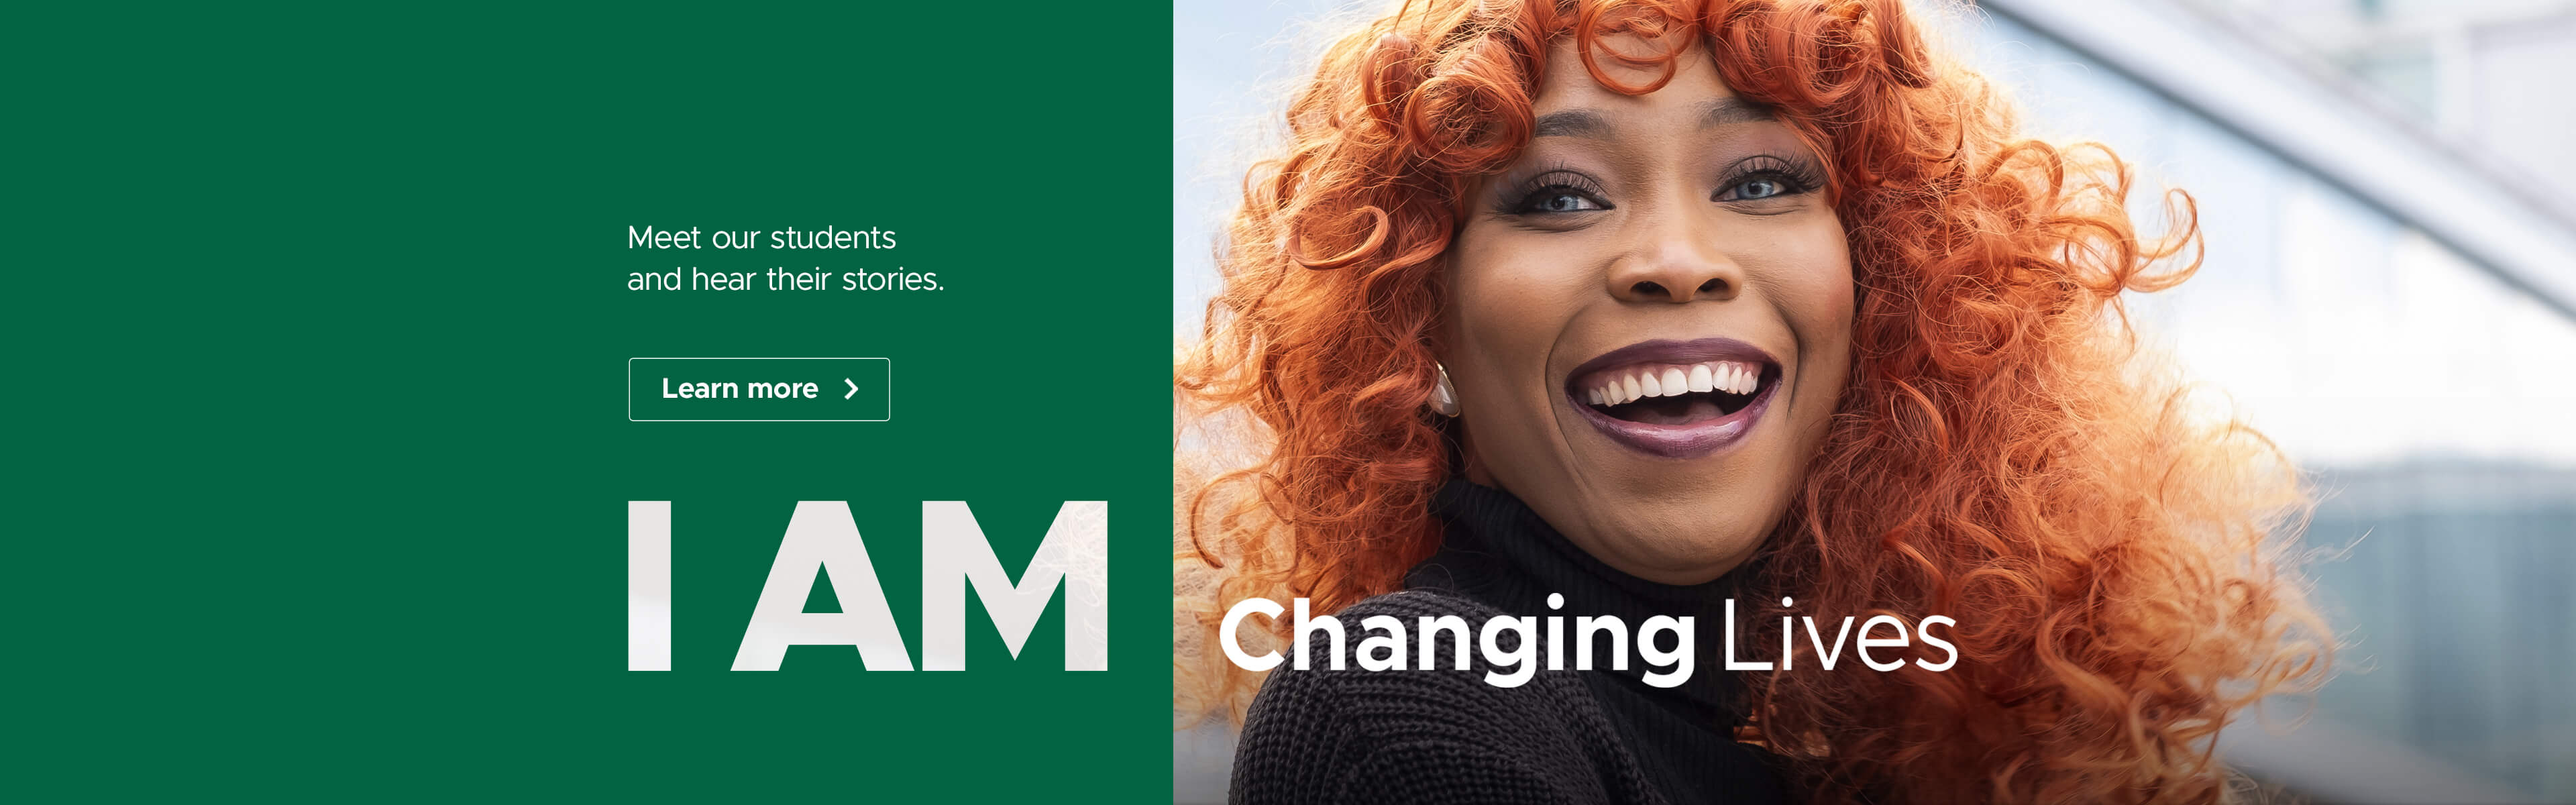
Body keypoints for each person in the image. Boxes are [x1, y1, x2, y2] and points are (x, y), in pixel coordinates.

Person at [1175, 1, 2330, 802]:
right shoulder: (1411, 712)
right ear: (1417, 321)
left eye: (1763, 181)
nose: (1676, 261)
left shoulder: (1841, 738)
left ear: (1883, 289)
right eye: (1562, 196)